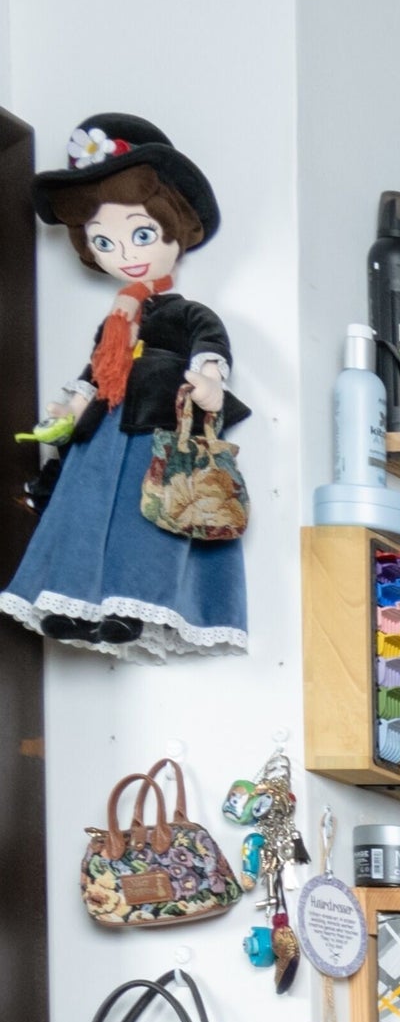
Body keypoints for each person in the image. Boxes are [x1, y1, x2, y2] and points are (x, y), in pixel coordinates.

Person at [3, 115, 246, 660]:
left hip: (152, 431)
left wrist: (209, 380)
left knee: (149, 521)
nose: (126, 252)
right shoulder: (117, 319)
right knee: (82, 514)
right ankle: (71, 599)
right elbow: (97, 369)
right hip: (102, 434)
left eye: (140, 234)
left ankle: (131, 606)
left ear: (174, 227)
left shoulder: (182, 312)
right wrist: (74, 402)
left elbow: (211, 344)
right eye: (104, 241)